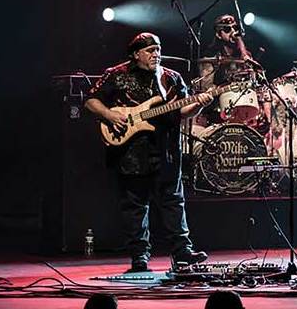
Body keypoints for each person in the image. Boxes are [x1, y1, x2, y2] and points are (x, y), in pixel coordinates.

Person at [85, 32, 212, 273]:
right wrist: (110, 115)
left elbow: (182, 111)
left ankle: (183, 252)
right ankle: (139, 257)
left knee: (174, 201)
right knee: (135, 205)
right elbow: (91, 100)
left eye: (158, 50)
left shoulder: (172, 78)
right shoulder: (117, 75)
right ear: (136, 54)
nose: (156, 54)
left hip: (166, 150)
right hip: (131, 153)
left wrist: (201, 103)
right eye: (150, 50)